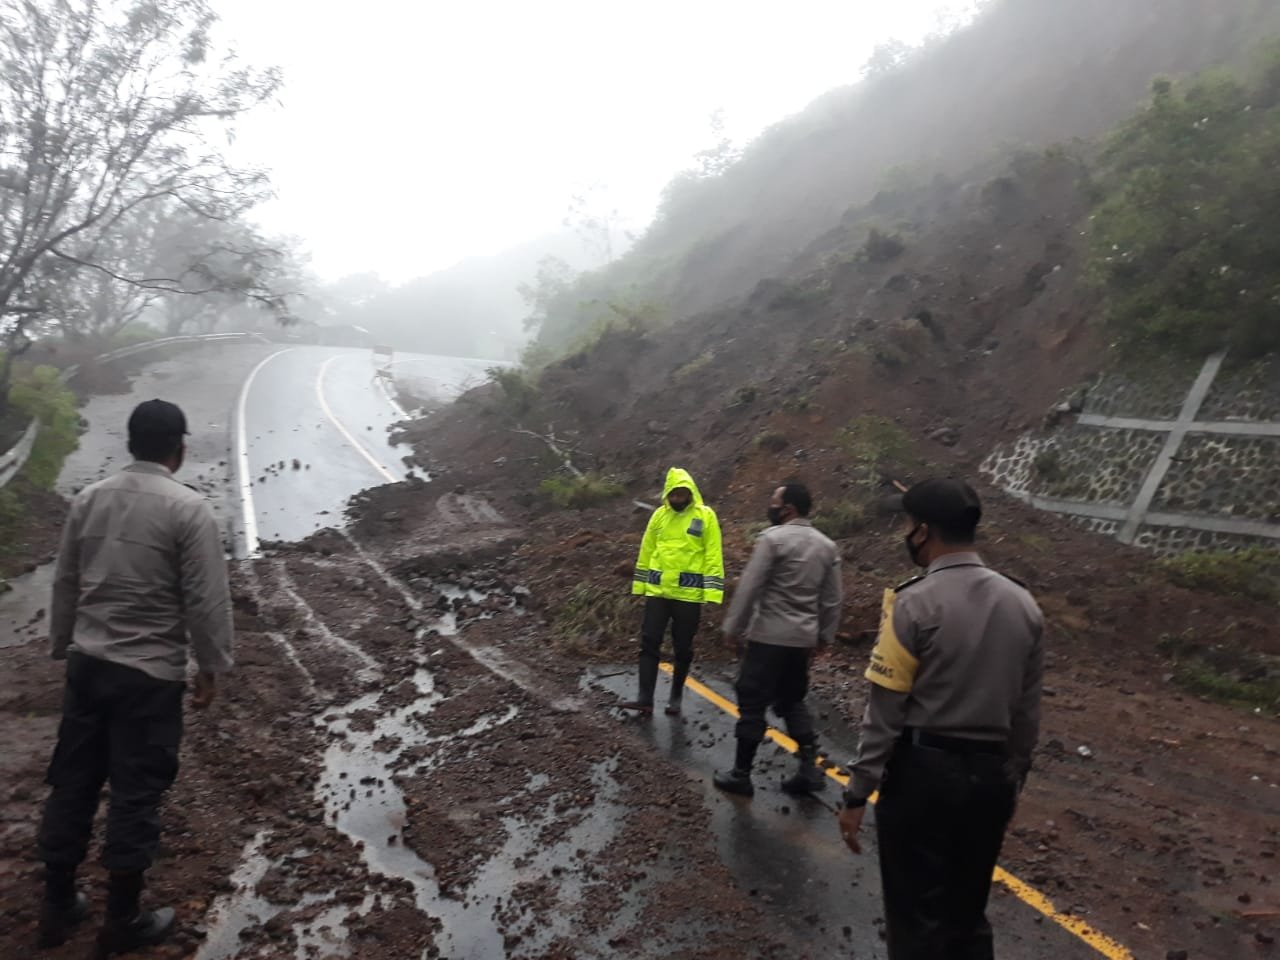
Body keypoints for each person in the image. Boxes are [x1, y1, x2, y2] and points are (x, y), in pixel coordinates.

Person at [36, 399, 234, 955]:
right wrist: (211, 667)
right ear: (180, 449)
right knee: (136, 793)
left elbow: (66, 580)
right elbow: (206, 600)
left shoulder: (89, 499)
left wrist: (61, 642)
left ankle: (57, 904)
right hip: (149, 677)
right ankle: (122, 918)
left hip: (88, 666)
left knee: (73, 782)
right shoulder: (189, 510)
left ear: (130, 444)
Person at [837, 478, 1044, 960]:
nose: (906, 534)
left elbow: (884, 714)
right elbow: (1026, 713)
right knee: (967, 916)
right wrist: (1011, 782)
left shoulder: (913, 602)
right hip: (990, 779)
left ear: (924, 531)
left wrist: (857, 793)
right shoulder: (1024, 605)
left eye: (908, 524)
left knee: (916, 918)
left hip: (922, 780)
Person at [713, 483, 842, 797]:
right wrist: (824, 637)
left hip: (768, 637)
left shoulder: (772, 540)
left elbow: (750, 587)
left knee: (752, 701)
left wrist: (732, 628)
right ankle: (808, 770)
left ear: (788, 509)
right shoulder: (827, 546)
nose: (770, 506)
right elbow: (832, 599)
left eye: (774, 501)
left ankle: (741, 774)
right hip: (801, 642)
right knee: (792, 700)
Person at [621, 467, 724, 715]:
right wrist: (640, 585)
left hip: (688, 596)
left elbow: (713, 554)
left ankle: (676, 696)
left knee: (683, 648)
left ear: (690, 492)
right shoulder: (659, 516)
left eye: (682, 494)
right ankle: (645, 698)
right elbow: (647, 551)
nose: (678, 498)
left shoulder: (705, 516)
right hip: (658, 593)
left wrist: (712, 592)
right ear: (667, 494)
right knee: (649, 642)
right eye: (674, 495)